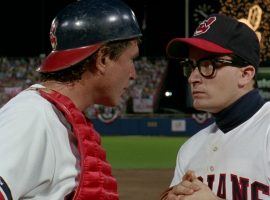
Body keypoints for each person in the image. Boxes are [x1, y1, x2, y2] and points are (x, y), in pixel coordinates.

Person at [0, 0, 142, 199]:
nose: (133, 73)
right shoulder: (32, 116)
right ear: (103, 59)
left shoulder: (54, 116)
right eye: (131, 59)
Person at [160, 13, 269, 200]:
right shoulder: (190, 149)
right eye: (190, 66)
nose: (193, 78)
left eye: (208, 65)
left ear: (245, 74)